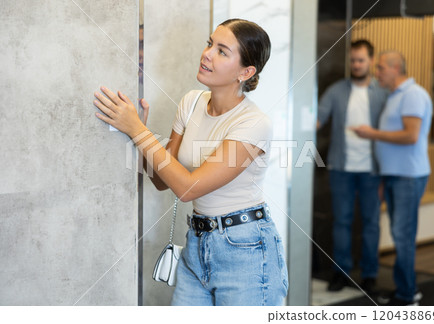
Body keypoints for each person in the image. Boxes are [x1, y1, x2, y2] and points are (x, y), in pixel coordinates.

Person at [93, 19, 288, 306]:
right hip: (197, 243)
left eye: (222, 51)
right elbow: (162, 180)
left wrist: (139, 130)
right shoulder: (192, 102)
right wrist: (138, 138)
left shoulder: (254, 123)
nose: (207, 54)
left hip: (246, 249)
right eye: (210, 44)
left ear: (245, 72)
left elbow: (188, 189)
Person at [352, 51, 432, 306]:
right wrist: (384, 179)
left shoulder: (413, 95)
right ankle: (407, 290)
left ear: (397, 68)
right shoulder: (396, 96)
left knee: (402, 235)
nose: (377, 73)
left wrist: (371, 133)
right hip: (396, 176)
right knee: (401, 235)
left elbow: (410, 136)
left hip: (408, 177)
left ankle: (407, 296)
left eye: (381, 68)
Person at [317, 40, 387, 294]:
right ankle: (341, 272)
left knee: (371, 223)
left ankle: (370, 275)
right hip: (340, 167)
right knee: (342, 222)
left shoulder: (382, 92)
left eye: (361, 60)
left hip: (372, 169)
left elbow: (392, 129)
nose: (356, 64)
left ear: (370, 60)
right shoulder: (336, 90)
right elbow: (318, 117)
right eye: (353, 60)